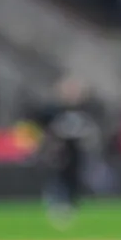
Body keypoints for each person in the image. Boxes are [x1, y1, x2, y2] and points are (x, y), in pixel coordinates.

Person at [35, 78, 102, 229]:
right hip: (60, 153)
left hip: (78, 153)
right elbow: (44, 129)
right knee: (58, 180)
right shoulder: (53, 111)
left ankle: (71, 207)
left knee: (75, 180)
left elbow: (91, 131)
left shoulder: (87, 110)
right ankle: (56, 207)